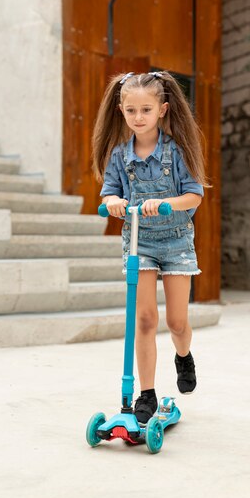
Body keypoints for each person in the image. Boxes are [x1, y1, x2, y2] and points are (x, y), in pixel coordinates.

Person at [92, 71, 208, 425]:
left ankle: (183, 356)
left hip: (175, 241)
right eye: (130, 110)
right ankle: (146, 393)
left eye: (146, 109)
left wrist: (168, 203)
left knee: (176, 321)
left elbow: (194, 196)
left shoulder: (177, 151)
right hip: (139, 242)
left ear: (162, 109)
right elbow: (109, 191)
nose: (138, 117)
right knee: (143, 319)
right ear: (121, 111)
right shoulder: (118, 156)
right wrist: (112, 201)